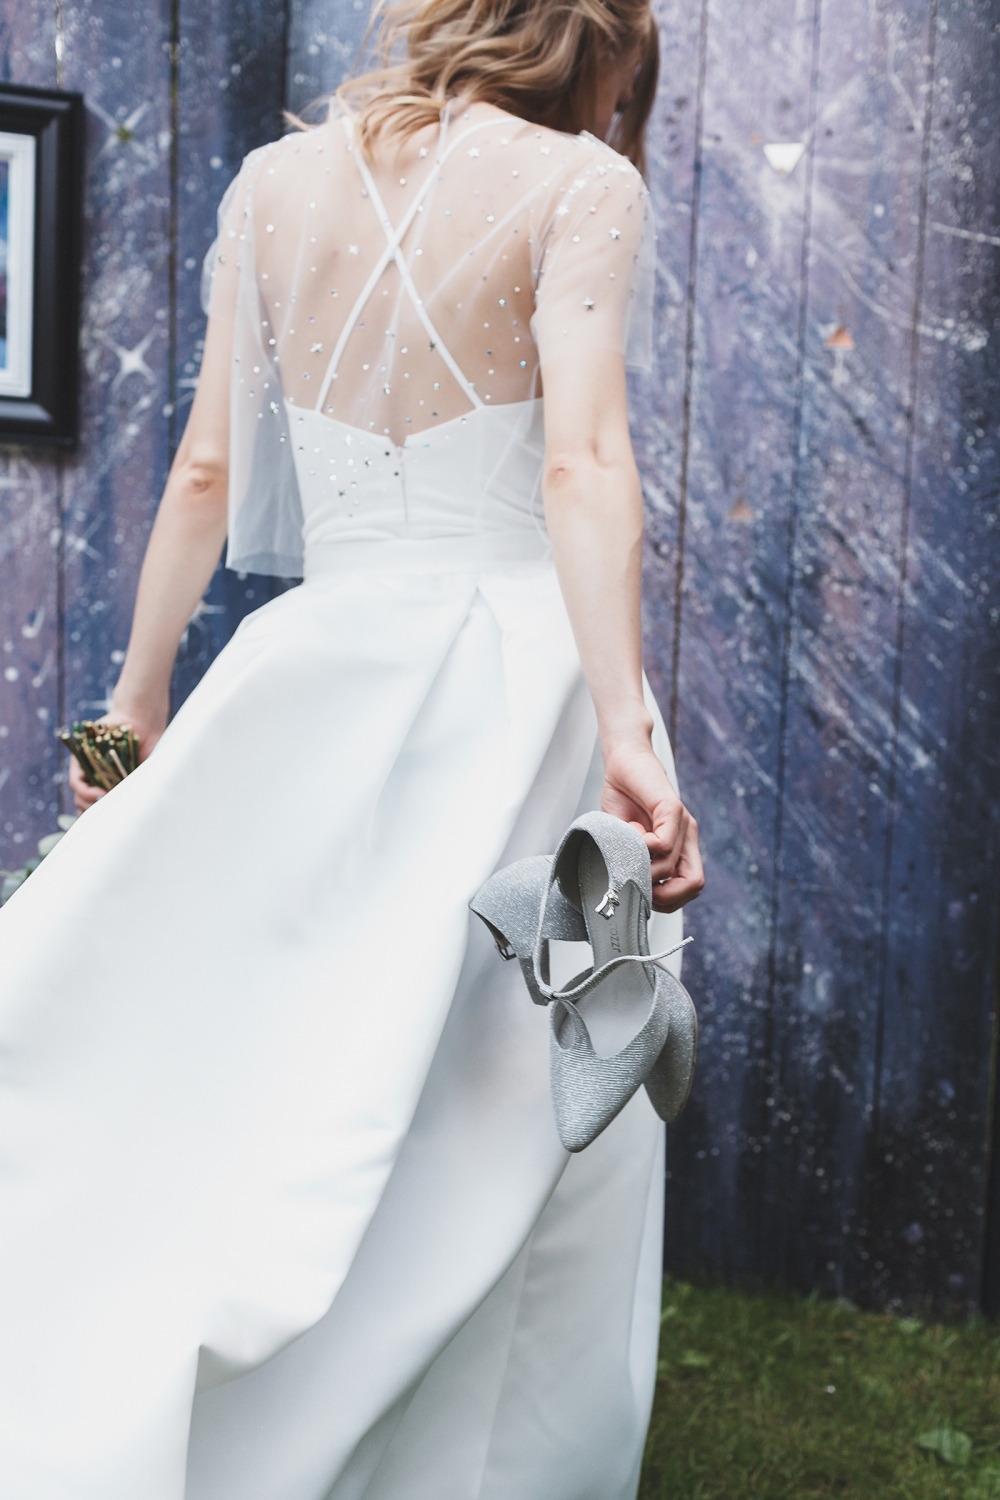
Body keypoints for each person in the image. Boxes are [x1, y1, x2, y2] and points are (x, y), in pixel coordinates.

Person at [0, 0, 703, 1494]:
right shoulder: (583, 187)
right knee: (510, 1082)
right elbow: (581, 462)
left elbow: (205, 470)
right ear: (594, 43)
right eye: (626, 73)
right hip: (516, 689)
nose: (619, 105)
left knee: (295, 1042)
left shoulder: (272, 184)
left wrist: (131, 706)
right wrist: (629, 728)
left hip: (317, 666)